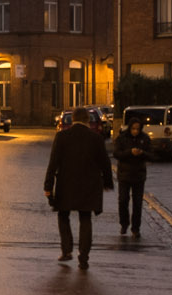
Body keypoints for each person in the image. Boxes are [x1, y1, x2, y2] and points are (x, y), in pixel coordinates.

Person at [44, 108, 114, 270]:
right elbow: (105, 163)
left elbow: (53, 163)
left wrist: (48, 186)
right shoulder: (96, 138)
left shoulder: (62, 136)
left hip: (66, 183)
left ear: (73, 119)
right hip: (89, 184)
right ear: (87, 120)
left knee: (63, 215)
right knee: (85, 218)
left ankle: (67, 250)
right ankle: (84, 257)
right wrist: (108, 183)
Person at [113, 119, 152, 236]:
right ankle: (124, 223)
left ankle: (136, 228)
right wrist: (130, 152)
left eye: (137, 129)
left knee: (137, 203)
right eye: (133, 128)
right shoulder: (122, 138)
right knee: (123, 200)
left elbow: (152, 154)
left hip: (139, 175)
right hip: (124, 174)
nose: (135, 131)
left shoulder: (144, 138)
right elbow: (117, 154)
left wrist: (142, 153)